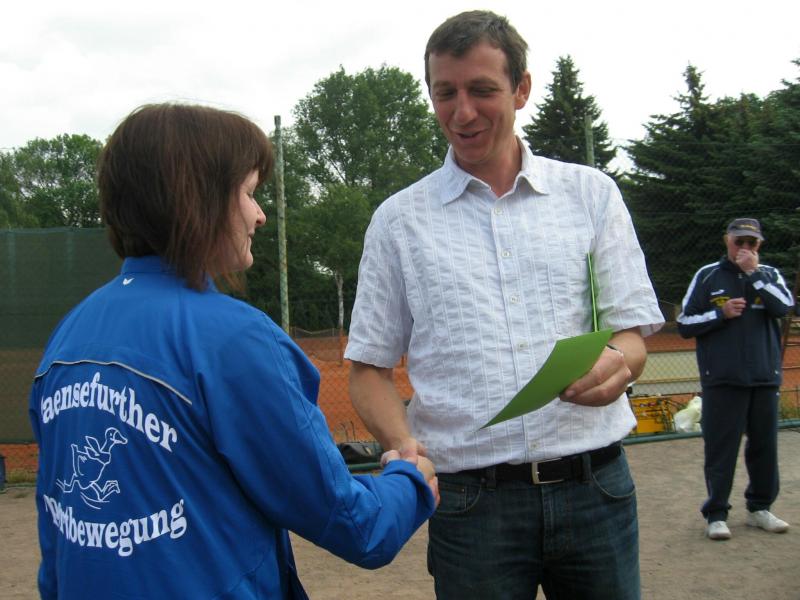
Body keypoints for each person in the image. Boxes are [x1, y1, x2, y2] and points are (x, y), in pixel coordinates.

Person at [28, 103, 438, 600]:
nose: (259, 215)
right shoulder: (236, 340)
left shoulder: (70, 332)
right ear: (198, 200)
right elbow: (355, 525)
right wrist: (410, 480)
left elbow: (58, 530)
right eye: (248, 193)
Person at [345, 10, 663, 600]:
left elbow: (631, 333)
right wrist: (405, 447)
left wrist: (620, 363)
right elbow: (367, 370)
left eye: (482, 90)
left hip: (595, 489)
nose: (462, 112)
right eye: (445, 93)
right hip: (471, 506)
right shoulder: (398, 222)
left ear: (521, 89)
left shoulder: (591, 196)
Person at [677, 217, 793, 541]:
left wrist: (754, 274)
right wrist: (721, 313)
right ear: (726, 240)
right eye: (738, 241)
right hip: (723, 380)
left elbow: (784, 307)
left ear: (759, 245)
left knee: (765, 448)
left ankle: (760, 509)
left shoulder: (769, 274)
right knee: (721, 450)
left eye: (751, 243)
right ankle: (716, 514)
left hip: (764, 378)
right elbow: (685, 323)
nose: (744, 248)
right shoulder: (707, 275)